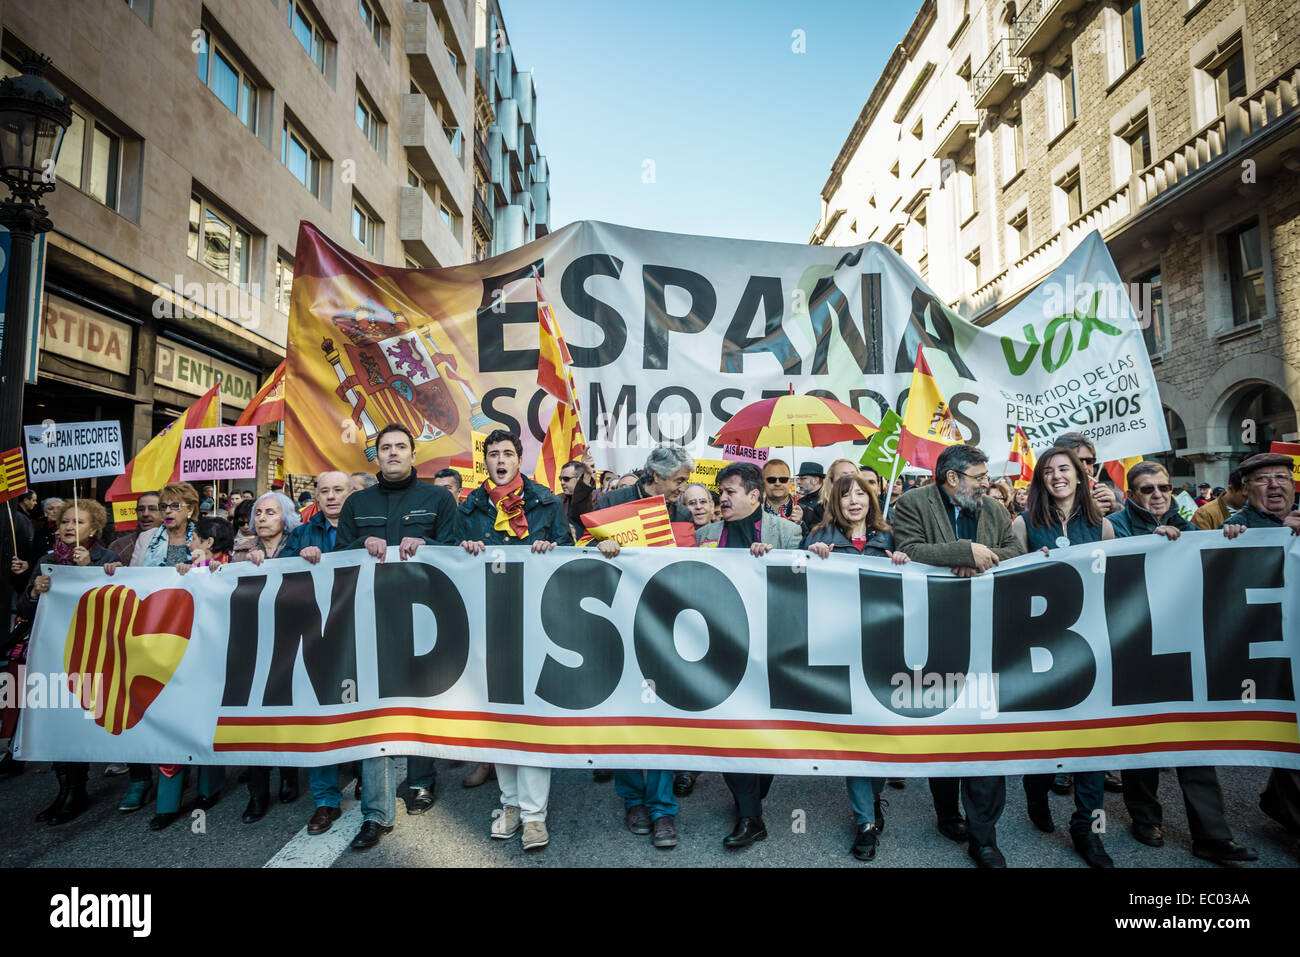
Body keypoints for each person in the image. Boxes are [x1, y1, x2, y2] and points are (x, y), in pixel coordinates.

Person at [1110, 460, 1259, 866]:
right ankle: (1144, 818)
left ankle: (1212, 836)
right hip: (1134, 650)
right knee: (1142, 742)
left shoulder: (1192, 529)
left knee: (1195, 742)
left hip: (1183, 647)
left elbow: (1216, 568)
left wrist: (1231, 538)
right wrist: (1147, 545)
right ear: (1131, 495)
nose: (1158, 495)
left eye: (1163, 487)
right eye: (1147, 489)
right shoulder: (1116, 526)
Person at [890, 444, 1025, 868]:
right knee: (944, 731)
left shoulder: (994, 509)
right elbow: (909, 550)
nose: (986, 483)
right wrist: (962, 552)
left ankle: (985, 837)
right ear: (951, 478)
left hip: (986, 638)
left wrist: (981, 562)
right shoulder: (911, 503)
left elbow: (1013, 553)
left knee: (985, 735)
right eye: (978, 476)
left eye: (985, 476)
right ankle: (948, 814)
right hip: (933, 636)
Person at [336, 423, 459, 850]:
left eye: (400, 447)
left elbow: (457, 551)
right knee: (375, 710)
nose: (392, 453)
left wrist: (423, 541)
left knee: (418, 701)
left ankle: (422, 781)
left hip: (424, 616)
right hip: (370, 618)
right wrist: (360, 544)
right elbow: (338, 557)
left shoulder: (439, 499)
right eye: (385, 448)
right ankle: (376, 813)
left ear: (413, 453)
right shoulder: (357, 503)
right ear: (377, 455)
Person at [457, 429, 572, 853]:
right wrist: (462, 548)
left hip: (536, 623)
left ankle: (535, 816)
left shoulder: (545, 502)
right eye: (493, 454)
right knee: (500, 719)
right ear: (484, 462)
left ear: (518, 459)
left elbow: (571, 552)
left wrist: (553, 547)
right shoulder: (469, 508)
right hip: (489, 624)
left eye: (508, 453)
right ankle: (509, 805)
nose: (500, 459)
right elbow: (450, 557)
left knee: (532, 718)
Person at [1009, 448, 1115, 868]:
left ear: (1080, 475)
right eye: (1049, 471)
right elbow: (1008, 581)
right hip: (1040, 650)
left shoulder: (1102, 525)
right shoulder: (1024, 523)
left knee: (1090, 737)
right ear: (1040, 480)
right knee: (1045, 732)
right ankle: (1036, 791)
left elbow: (1117, 580)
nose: (1057, 477)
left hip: (1090, 648)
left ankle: (1086, 827)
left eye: (1065, 469)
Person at [804, 472, 909, 861]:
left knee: (879, 734)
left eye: (860, 494)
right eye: (845, 494)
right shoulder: (819, 537)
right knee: (855, 740)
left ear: (871, 499)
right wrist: (811, 559)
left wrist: (903, 563)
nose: (853, 501)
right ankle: (864, 822)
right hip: (843, 653)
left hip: (884, 652)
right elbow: (799, 585)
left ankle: (874, 797)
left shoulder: (889, 537)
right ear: (836, 500)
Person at [696, 463, 801, 848]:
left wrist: (775, 564)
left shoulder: (787, 533)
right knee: (730, 730)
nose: (721, 499)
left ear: (755, 496)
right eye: (720, 493)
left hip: (770, 648)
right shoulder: (704, 534)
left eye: (730, 492)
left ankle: (751, 797)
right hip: (721, 647)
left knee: (766, 730)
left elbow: (802, 586)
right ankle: (749, 816)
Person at [11, 499, 115, 825]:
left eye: (79, 522)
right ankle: (64, 789)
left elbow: (116, 607)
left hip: (88, 654)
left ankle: (77, 789)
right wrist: (32, 593)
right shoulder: (47, 560)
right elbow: (25, 613)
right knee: (56, 718)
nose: (70, 527)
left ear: (94, 528)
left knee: (76, 719)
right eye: (66, 521)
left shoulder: (108, 560)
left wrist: (89, 572)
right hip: (51, 653)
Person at [1220, 453, 1300, 839]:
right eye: (1263, 479)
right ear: (1246, 489)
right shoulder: (1235, 529)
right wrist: (1229, 543)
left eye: (1282, 477)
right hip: (1267, 647)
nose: (1274, 485)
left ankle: (1278, 798)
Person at [281, 470, 353, 833]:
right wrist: (297, 559)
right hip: (316, 636)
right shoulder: (302, 533)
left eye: (338, 489)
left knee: (364, 712)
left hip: (359, 633)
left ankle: (373, 794)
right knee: (319, 713)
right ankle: (325, 801)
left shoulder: (364, 527)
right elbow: (280, 576)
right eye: (324, 491)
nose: (331, 496)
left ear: (351, 492)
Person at [231, 490, 303, 822]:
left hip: (289, 641)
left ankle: (289, 774)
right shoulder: (241, 552)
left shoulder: (300, 547)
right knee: (254, 720)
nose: (261, 518)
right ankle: (257, 793)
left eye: (270, 513)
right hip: (252, 644)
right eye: (258, 513)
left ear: (285, 518)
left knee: (285, 712)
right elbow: (217, 583)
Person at [1051, 432, 1121, 517]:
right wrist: (1087, 515)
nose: (1085, 468)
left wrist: (1114, 510)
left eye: (1089, 461)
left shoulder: (1110, 496)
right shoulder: (1044, 498)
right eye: (1078, 461)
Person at [107, 491, 161, 564]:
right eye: (141, 509)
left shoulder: (175, 543)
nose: (145, 514)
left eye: (152, 509)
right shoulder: (119, 546)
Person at [761, 458, 803, 528]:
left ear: (790, 482)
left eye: (783, 479)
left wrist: (800, 524)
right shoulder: (752, 512)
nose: (777, 483)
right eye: (771, 480)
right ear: (763, 482)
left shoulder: (808, 512)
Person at [795, 462, 825, 529]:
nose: (798, 482)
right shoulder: (800, 502)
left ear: (815, 480)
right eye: (798, 478)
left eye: (803, 478)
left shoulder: (828, 501)